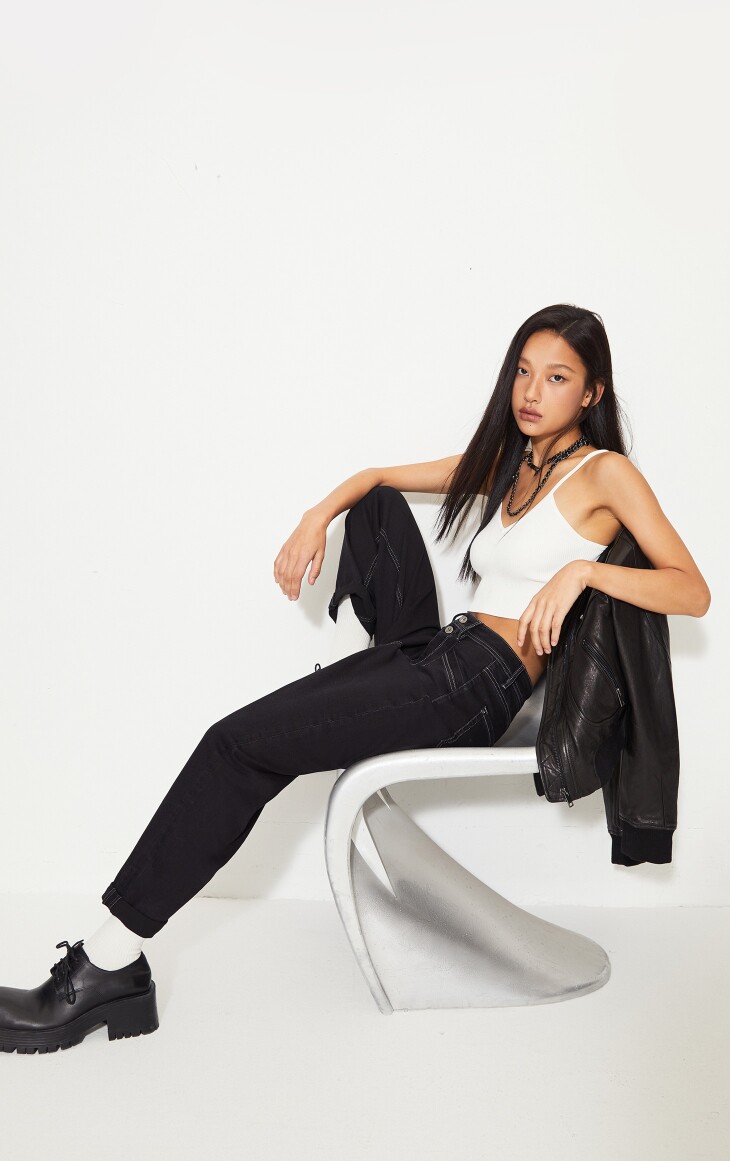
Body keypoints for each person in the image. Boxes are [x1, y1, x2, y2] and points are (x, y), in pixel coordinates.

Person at [0, 303, 711, 1054]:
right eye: (523, 373)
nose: (532, 392)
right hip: (442, 654)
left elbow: (691, 590)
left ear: (592, 393)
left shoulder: (607, 474)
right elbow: (378, 478)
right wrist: (318, 514)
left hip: (479, 685)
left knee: (233, 745)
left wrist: (583, 573)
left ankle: (108, 965)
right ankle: (357, 682)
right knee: (372, 505)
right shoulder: (512, 463)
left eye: (557, 378)